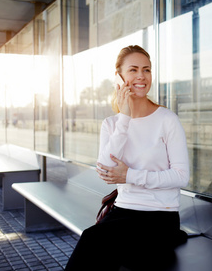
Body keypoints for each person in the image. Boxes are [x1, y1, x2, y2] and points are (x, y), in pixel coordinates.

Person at [65, 45, 190, 270]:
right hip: (122, 212)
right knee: (90, 240)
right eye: (133, 70)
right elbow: (106, 170)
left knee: (120, 255)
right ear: (119, 77)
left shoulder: (167, 119)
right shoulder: (112, 124)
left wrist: (130, 175)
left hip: (161, 216)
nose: (141, 76)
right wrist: (124, 118)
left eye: (147, 70)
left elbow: (181, 176)